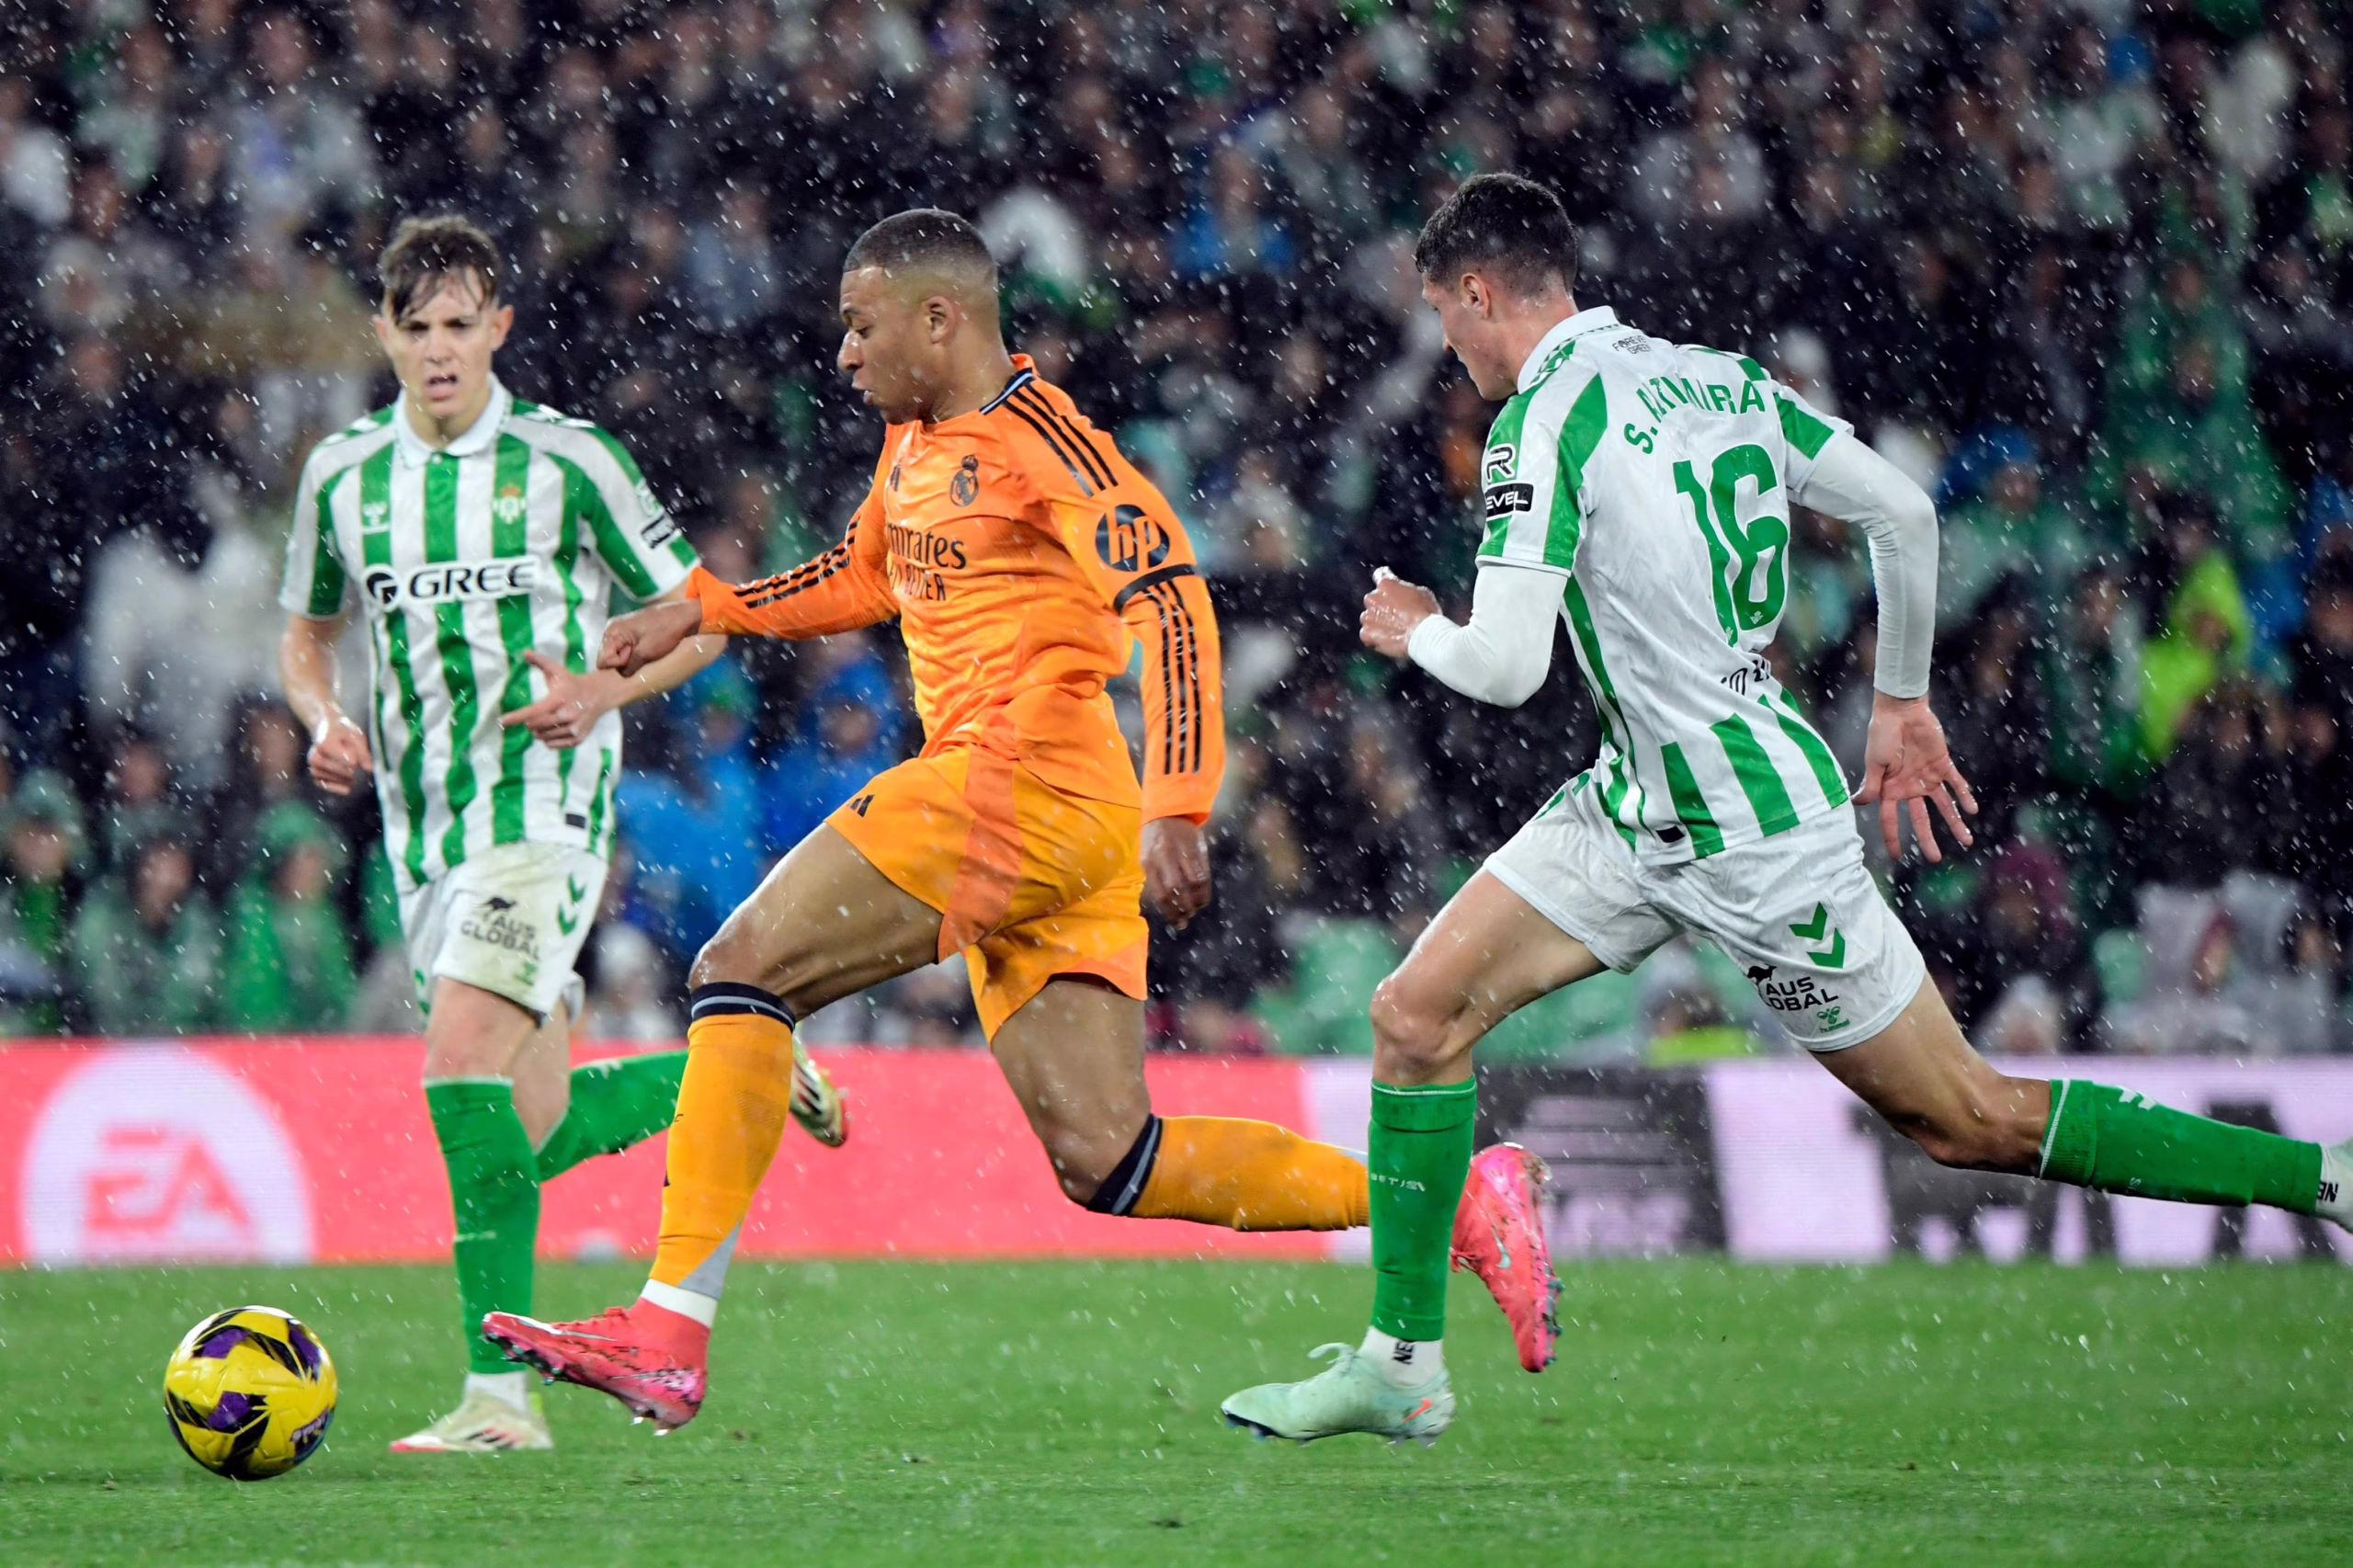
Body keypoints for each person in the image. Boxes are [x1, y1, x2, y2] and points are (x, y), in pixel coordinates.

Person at [1222, 174, 2353, 1446]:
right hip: (1635, 805)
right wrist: (1902, 697)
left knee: (1968, 1117)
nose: (1450, 346)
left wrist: (1418, 628)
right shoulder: (1721, 381)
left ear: (1479, 292)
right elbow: (1903, 509)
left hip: (1754, 840)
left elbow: (1506, 666)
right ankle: (1402, 1364)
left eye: (1445, 315)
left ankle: (2321, 1177)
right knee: (1414, 1015)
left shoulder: (1541, 421)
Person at [483, 210, 1559, 1434]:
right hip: (1052, 816)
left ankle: (670, 1332)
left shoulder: (1048, 442)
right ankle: (1453, 1203)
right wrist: (708, 607)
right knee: (1110, 1156)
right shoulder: (915, 444)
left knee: (741, 970)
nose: (845, 353)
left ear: (940, 319)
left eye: (863, 326)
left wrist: (1182, 802)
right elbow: (862, 575)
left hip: (1020, 781)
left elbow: (1171, 601)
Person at [275, 214, 776, 1455]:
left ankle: (499, 1397)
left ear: (499, 326)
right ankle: (750, 1068)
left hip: (546, 815)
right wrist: (323, 718)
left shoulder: (570, 461)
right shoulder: (343, 474)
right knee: (530, 1128)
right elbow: (307, 636)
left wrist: (601, 690)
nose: (439, 349)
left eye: (462, 324)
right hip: (425, 837)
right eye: (417, 327)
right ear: (384, 332)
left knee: (458, 1070)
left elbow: (704, 614)